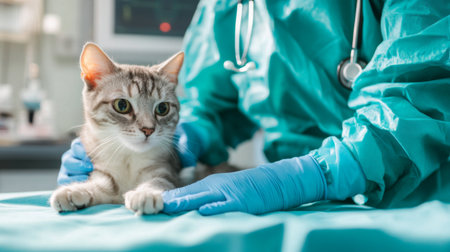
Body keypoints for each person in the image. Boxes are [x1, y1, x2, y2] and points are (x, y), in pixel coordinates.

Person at [58, 0, 450, 215]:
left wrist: (317, 174)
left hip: (419, 198)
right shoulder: (229, 6)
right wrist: (189, 135)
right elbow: (209, 101)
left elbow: (417, 98)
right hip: (298, 206)